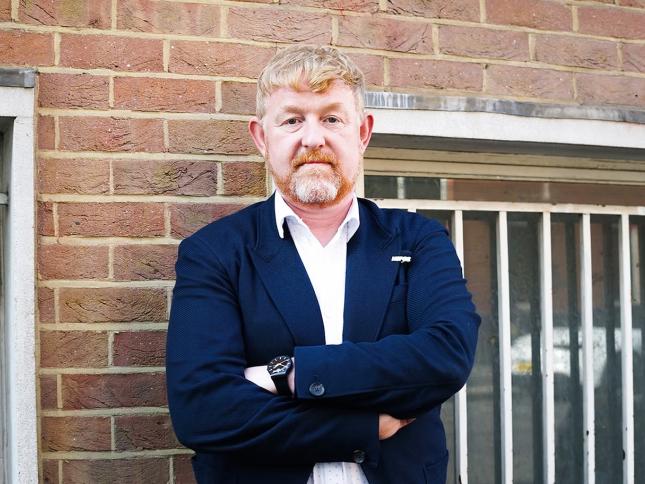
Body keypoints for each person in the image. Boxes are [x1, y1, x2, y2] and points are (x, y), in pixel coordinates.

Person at [166, 45, 480, 484]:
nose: (313, 138)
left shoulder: (418, 240)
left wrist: (287, 376)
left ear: (362, 132)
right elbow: (203, 411)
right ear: (261, 138)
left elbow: (446, 356)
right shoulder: (216, 253)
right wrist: (362, 428)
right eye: (292, 120)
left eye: (332, 118)